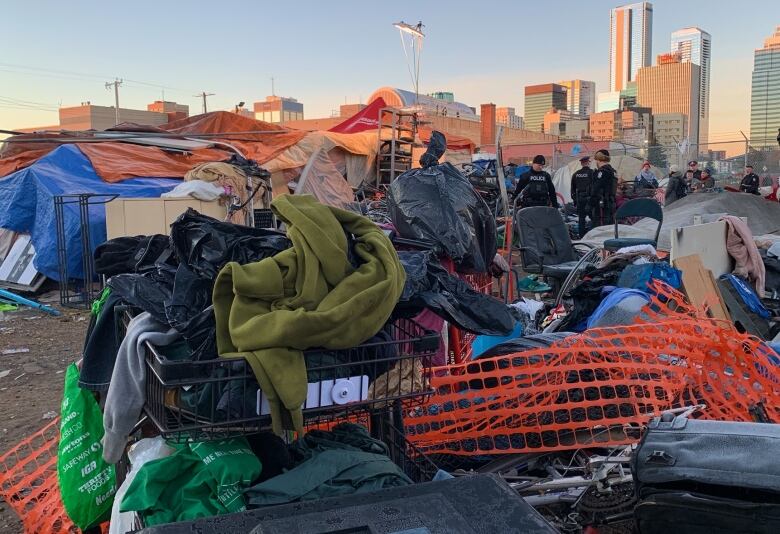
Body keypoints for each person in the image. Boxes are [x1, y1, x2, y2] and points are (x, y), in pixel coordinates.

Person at [590, 150, 617, 226]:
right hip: (611, 203)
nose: (596, 162)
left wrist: (590, 202)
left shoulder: (602, 172)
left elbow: (596, 188)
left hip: (601, 206)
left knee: (600, 228)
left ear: (599, 159)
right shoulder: (613, 171)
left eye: (596, 160)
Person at [570, 155, 593, 238]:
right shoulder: (592, 172)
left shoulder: (576, 174)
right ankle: (592, 235)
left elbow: (572, 189)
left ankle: (582, 236)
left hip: (580, 198)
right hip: (590, 199)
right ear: (587, 162)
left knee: (581, 219)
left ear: (582, 164)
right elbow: (595, 187)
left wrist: (575, 200)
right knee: (593, 217)